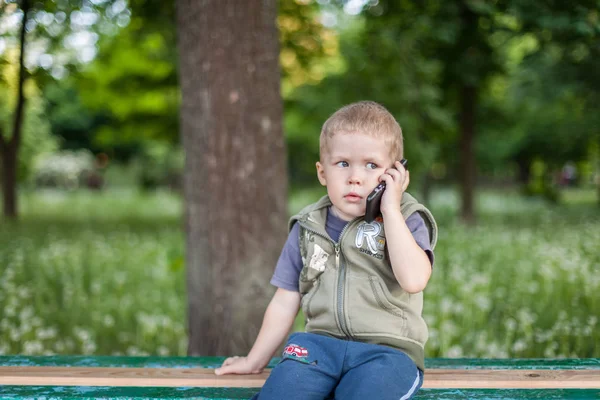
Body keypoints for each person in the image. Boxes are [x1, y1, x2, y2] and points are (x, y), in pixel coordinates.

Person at [215, 101, 438, 400]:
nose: (355, 177)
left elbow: (414, 280)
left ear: (394, 174)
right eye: (343, 163)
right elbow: (285, 300)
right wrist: (254, 360)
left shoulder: (407, 218)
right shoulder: (307, 225)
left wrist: (391, 209)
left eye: (371, 165)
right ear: (322, 172)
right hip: (318, 348)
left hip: (387, 353)